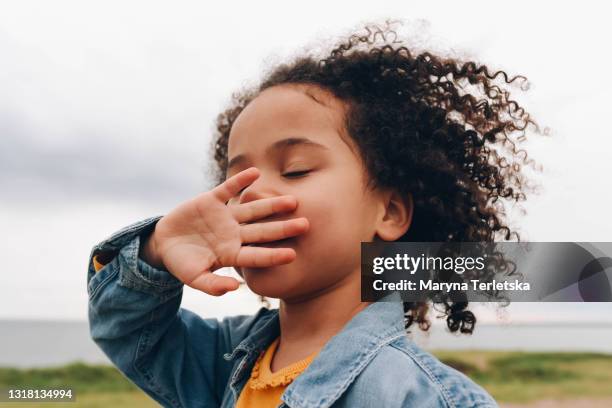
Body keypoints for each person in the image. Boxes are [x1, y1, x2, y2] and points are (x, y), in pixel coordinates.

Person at [88, 22, 539, 407]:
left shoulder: (412, 394)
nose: (253, 192)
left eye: (295, 169)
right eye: (237, 180)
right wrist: (156, 251)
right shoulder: (225, 361)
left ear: (390, 212)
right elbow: (127, 331)